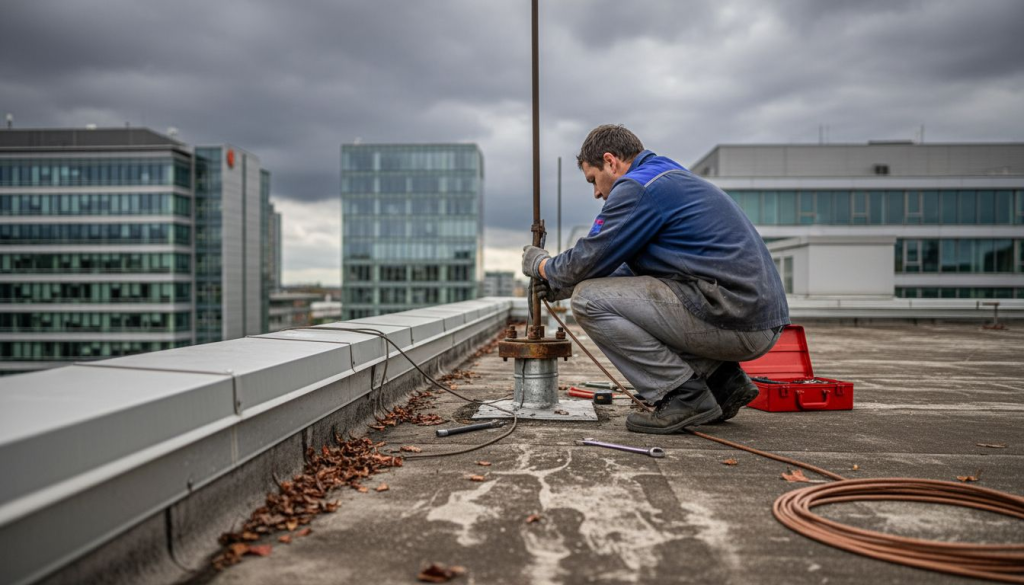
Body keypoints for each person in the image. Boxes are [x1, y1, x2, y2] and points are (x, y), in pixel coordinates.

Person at [521, 124, 789, 434]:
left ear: (610, 161)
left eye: (593, 180)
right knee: (594, 294)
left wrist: (543, 266)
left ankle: (684, 396)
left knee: (588, 300)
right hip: (752, 317)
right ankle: (723, 382)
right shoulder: (666, 176)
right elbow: (631, 276)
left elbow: (590, 256)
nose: (596, 193)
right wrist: (560, 284)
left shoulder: (637, 187)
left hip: (737, 320)